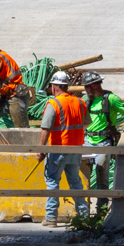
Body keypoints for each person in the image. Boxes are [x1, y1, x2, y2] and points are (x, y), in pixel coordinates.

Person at [82, 76, 124, 215]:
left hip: (103, 142)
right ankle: (82, 211)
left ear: (94, 85)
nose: (84, 89)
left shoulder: (111, 99)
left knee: (101, 175)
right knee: (79, 174)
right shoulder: (86, 100)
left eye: (86, 86)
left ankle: (100, 211)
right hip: (87, 140)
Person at [37, 71, 87, 226]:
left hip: (58, 150)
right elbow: (86, 123)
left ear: (54, 87)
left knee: (52, 182)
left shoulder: (54, 104)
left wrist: (41, 150)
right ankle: (84, 217)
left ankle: (51, 218)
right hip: (76, 149)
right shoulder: (79, 102)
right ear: (66, 86)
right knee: (76, 183)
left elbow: (46, 128)